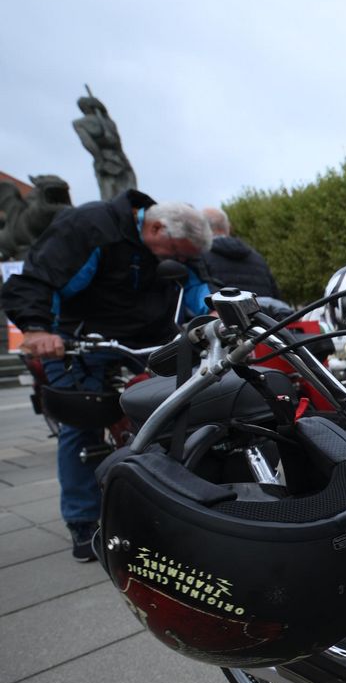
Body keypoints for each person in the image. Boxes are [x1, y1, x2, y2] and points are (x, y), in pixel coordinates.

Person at [6, 192, 211, 556]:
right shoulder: (91, 226)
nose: (178, 260)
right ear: (157, 227)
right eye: (176, 252)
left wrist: (215, 315)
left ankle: (176, 499)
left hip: (150, 336)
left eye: (183, 256)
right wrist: (37, 329)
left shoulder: (179, 245)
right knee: (81, 421)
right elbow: (41, 277)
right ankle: (84, 521)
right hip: (83, 336)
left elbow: (198, 285)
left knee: (184, 404)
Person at [202, 207, 281, 300]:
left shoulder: (200, 258)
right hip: (259, 309)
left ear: (202, 228)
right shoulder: (258, 259)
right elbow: (275, 298)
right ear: (228, 227)